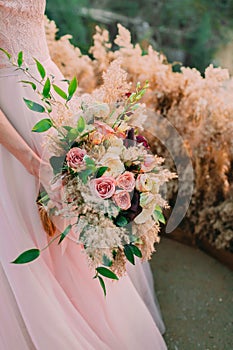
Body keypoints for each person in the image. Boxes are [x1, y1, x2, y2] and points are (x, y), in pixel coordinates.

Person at [0, 1, 167, 349]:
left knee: (75, 216)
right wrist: (33, 163)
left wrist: (71, 111)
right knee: (24, 224)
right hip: (10, 112)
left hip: (48, 93)